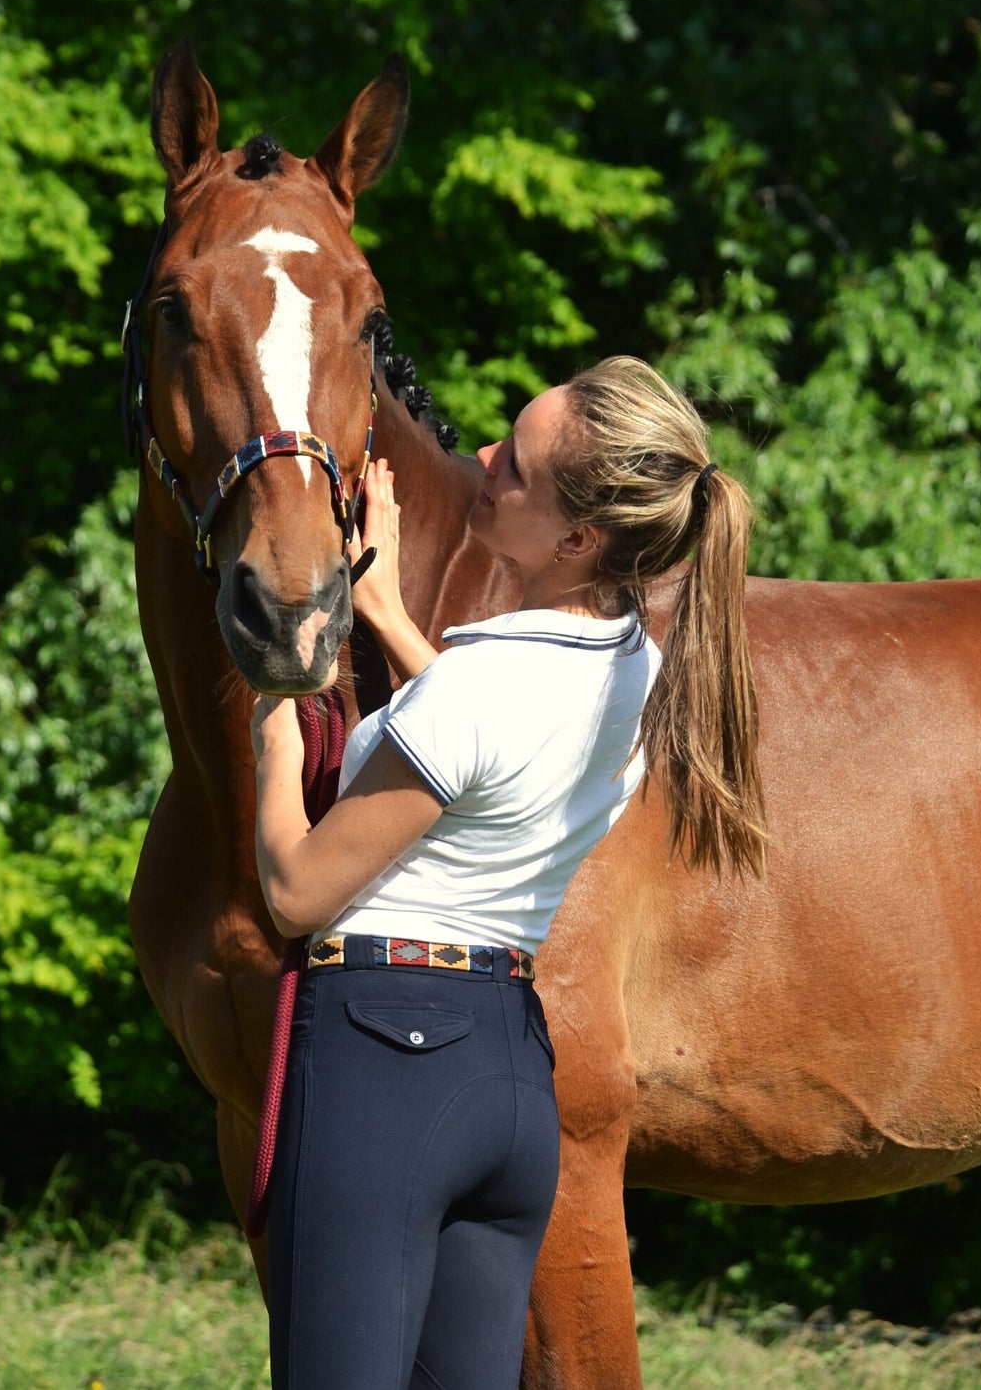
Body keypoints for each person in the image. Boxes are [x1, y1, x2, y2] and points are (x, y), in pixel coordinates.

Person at [250, 355, 767, 1390]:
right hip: (507, 1074)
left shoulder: (480, 683)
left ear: (578, 537)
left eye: (515, 471)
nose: (481, 459)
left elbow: (295, 891)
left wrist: (271, 704)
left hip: (380, 1058)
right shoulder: (634, 662)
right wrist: (394, 621)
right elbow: (494, 740)